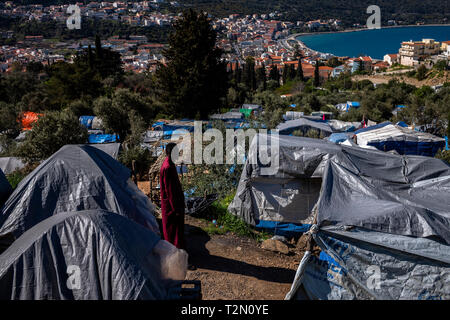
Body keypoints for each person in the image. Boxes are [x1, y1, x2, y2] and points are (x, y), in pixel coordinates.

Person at [160, 142, 185, 250]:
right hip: (172, 206)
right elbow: (170, 191)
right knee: (174, 234)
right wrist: (176, 209)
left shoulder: (168, 164)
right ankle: (176, 257)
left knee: (172, 232)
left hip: (171, 204)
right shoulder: (168, 167)